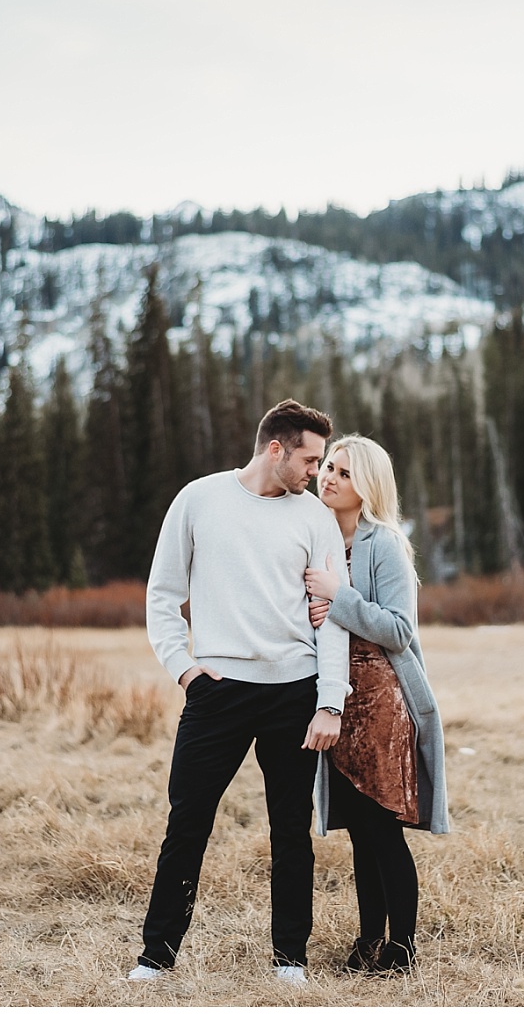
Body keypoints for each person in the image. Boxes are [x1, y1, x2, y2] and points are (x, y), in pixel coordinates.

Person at [129, 399, 350, 986]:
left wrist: (330, 700)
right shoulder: (199, 500)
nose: (316, 474)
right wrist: (185, 670)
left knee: (290, 830)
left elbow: (334, 618)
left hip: (295, 693)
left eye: (321, 462)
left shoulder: (313, 517)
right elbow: (162, 594)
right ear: (274, 449)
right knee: (188, 821)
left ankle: (290, 959)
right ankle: (156, 955)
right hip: (217, 694)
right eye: (308, 459)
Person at [303, 435, 449, 976]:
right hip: (335, 697)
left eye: (341, 472)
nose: (329, 477)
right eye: (327, 468)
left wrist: (336, 596)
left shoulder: (383, 543)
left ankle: (402, 947)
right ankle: (368, 941)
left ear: (365, 485)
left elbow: (400, 629)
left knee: (381, 827)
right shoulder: (314, 536)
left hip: (383, 701)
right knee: (360, 829)